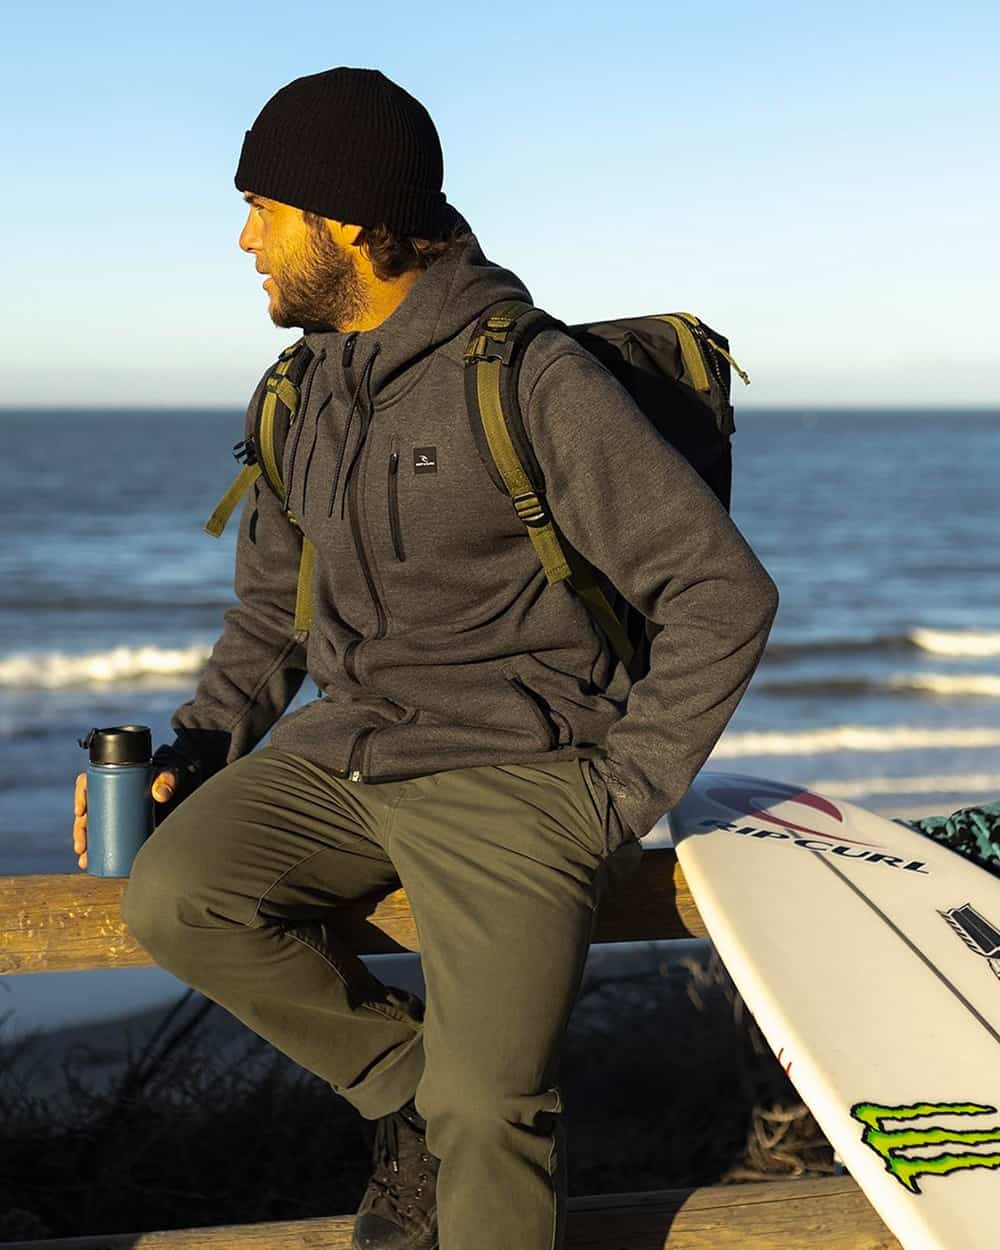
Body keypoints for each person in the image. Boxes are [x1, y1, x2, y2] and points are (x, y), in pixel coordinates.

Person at [72, 67, 778, 1250]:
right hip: (342, 751)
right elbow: (269, 619)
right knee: (179, 892)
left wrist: (608, 797)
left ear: (348, 220)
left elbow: (719, 591)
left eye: (266, 209)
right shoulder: (302, 392)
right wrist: (200, 745)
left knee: (492, 1107)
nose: (245, 238)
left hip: (519, 773)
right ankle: (404, 1095)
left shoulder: (530, 377)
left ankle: (448, 1114)